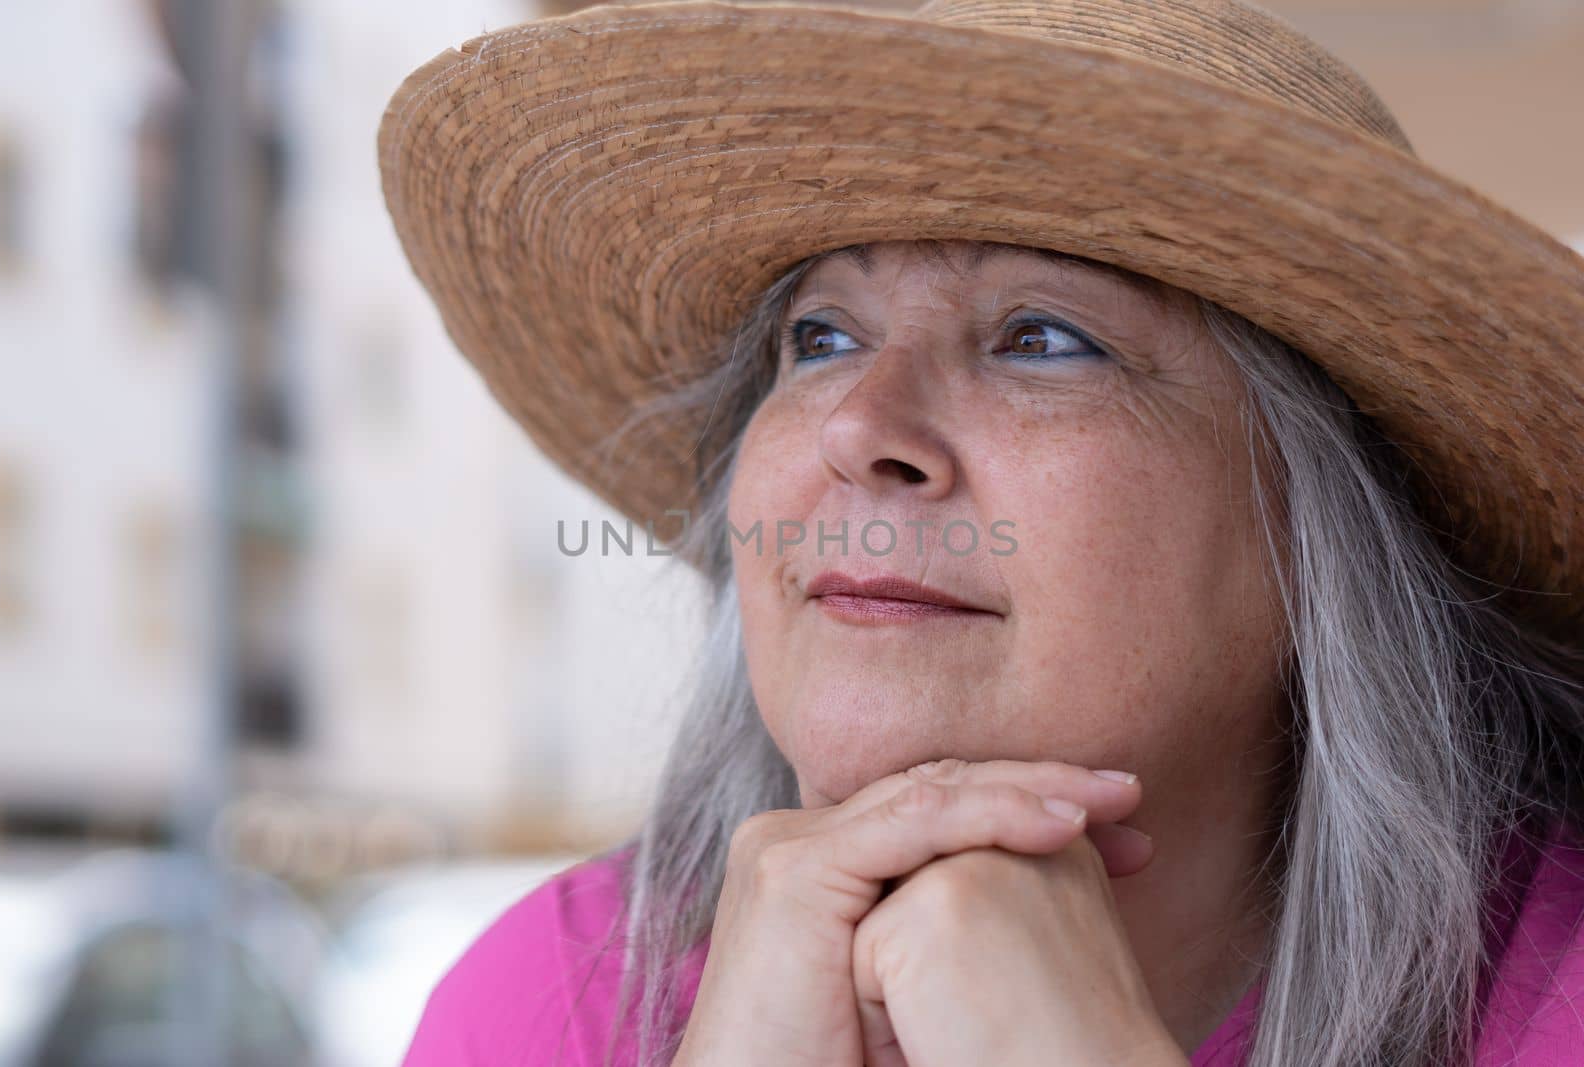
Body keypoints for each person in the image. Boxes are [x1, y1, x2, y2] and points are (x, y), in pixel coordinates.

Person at [375, 0, 1584, 1063]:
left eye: (1044, 337)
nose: (858, 425)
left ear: (1324, 534)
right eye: (822, 337)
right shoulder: (555, 997)